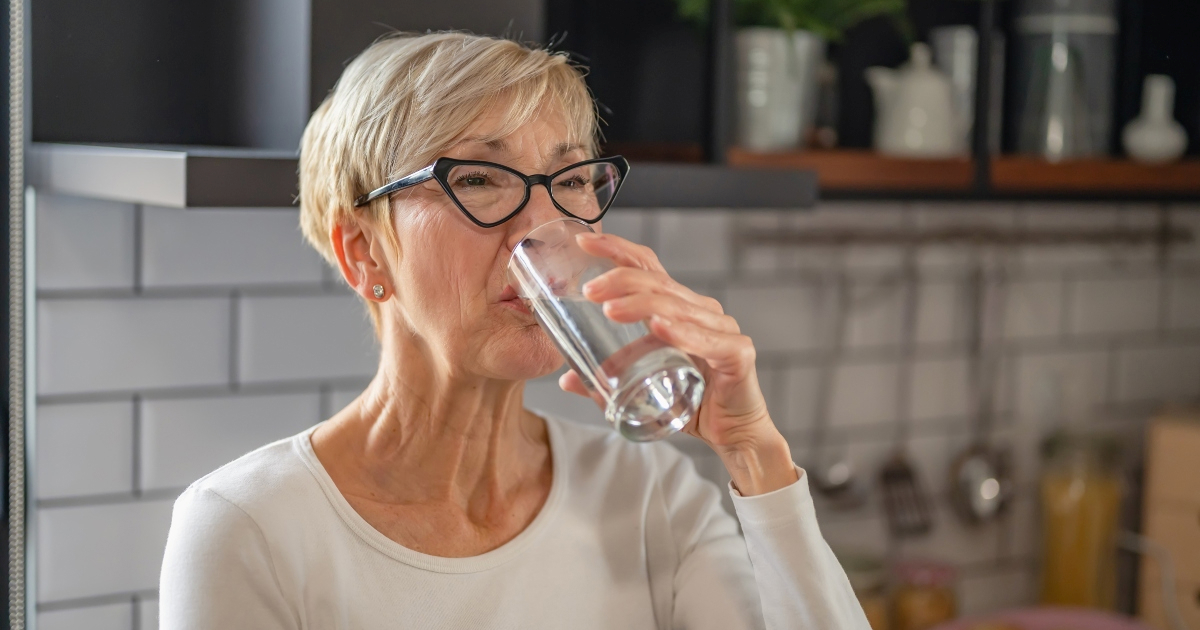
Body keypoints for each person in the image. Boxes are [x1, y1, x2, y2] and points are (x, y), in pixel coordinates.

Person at [159, 31, 870, 629]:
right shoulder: (248, 527)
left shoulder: (648, 491)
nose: (542, 229)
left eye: (569, 181)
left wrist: (753, 452)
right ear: (364, 250)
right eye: (477, 179)